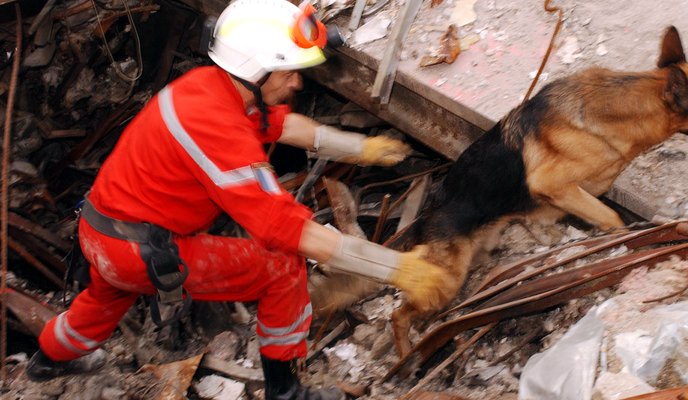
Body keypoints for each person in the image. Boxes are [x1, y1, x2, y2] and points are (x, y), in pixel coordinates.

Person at [24, 0, 451, 398]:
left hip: (101, 232)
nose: (297, 82)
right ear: (256, 70)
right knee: (281, 267)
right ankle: (286, 390)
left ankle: (47, 361)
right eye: (289, 73)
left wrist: (362, 148)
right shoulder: (218, 135)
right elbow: (289, 231)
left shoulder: (211, 87)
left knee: (104, 298)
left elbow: (280, 125)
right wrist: (398, 269)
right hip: (139, 251)